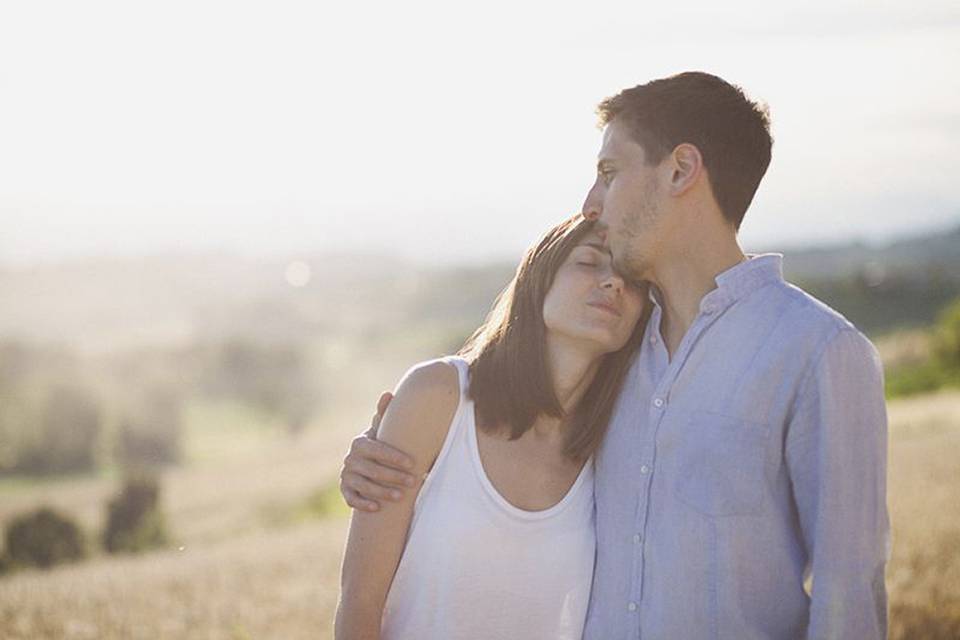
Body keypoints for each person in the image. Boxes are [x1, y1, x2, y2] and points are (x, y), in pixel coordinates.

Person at [340, 71, 890, 639]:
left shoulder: (817, 351)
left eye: (609, 173)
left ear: (680, 170)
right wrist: (378, 457)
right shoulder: (615, 356)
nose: (591, 204)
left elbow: (848, 594)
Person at [334, 214, 650, 640]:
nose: (614, 283)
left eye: (631, 277)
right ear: (539, 278)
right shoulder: (438, 395)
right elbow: (360, 600)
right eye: (590, 262)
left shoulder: (622, 443)